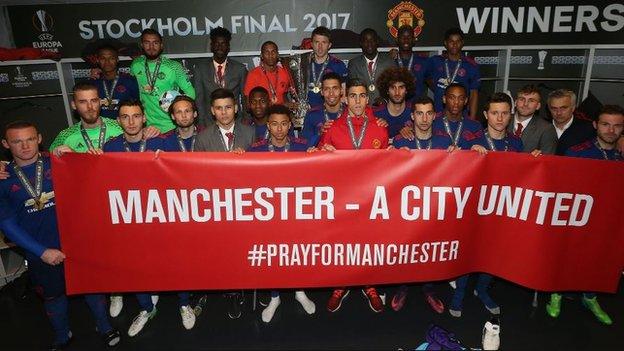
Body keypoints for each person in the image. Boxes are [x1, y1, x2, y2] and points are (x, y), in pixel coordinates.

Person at [0, 121, 121, 349]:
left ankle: (104, 326)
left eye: (30, 139)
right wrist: (41, 251)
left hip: (77, 244)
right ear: (6, 144)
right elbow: (6, 224)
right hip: (40, 251)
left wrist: (78, 156)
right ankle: (62, 334)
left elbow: (96, 180)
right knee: (53, 297)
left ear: (39, 139)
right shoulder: (3, 179)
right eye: (17, 141)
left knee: (92, 290)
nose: (25, 146)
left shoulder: (59, 162)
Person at [449, 93, 522, 318]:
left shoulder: (517, 143)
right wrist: (463, 154)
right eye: (494, 113)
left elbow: (525, 175)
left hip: (502, 208)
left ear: (510, 115)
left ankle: (482, 290)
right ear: (485, 115)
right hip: (474, 208)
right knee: (467, 252)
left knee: (492, 254)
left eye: (504, 113)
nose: (499, 118)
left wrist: (535, 159)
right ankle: (459, 293)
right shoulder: (471, 139)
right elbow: (452, 168)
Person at [319, 78, 388, 313]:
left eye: (361, 96)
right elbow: (317, 163)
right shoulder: (332, 128)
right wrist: (320, 151)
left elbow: (390, 166)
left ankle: (369, 285)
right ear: (345, 99)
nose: (357, 101)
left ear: (367, 99)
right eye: (353, 96)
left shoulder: (380, 127)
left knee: (368, 243)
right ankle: (341, 284)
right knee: (343, 244)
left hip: (370, 197)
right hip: (341, 198)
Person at [551, 105, 624, 325]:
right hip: (578, 216)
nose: (611, 130)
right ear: (595, 125)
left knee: (599, 260)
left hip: (610, 221)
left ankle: (590, 297)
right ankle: (557, 293)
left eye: (617, 125)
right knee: (569, 256)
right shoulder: (577, 152)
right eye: (605, 124)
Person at [390, 96, 454, 313]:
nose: (424, 118)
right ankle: (403, 286)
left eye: (428, 113)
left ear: (435, 115)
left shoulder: (445, 142)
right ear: (412, 116)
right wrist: (390, 157)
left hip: (433, 206)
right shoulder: (400, 142)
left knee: (430, 250)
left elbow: (461, 169)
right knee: (406, 248)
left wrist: (464, 154)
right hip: (406, 206)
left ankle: (429, 288)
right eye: (419, 113)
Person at [130, 28, 196, 132]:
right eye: (147, 43)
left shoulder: (174, 67)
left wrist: (177, 110)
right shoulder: (135, 65)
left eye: (155, 43)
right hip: (146, 127)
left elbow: (190, 93)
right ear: (142, 45)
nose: (151, 47)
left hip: (170, 126)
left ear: (161, 45)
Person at [193, 26, 247, 126]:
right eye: (216, 44)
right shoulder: (200, 69)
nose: (220, 47)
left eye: (223, 44)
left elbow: (244, 98)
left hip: (235, 122)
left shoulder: (240, 69)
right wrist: (201, 123)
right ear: (211, 46)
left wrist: (246, 120)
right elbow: (199, 99)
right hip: (209, 123)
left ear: (228, 47)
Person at [49, 82, 123, 153]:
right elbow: (48, 161)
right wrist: (72, 156)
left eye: (94, 101)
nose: (90, 107)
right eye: (83, 102)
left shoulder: (121, 128)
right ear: (74, 105)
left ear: (100, 102)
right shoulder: (64, 136)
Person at [426, 28, 480, 119]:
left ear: (462, 43)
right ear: (445, 43)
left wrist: (472, 118)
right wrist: (437, 89)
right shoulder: (435, 61)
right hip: (438, 113)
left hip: (461, 115)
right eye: (451, 41)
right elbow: (426, 76)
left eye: (458, 41)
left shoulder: (471, 65)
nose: (454, 44)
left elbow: (474, 94)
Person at [195, 88, 255, 153]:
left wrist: (243, 157)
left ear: (235, 108)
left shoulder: (250, 133)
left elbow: (256, 161)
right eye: (219, 108)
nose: (224, 112)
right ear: (212, 111)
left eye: (228, 107)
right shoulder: (203, 138)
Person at [91, 44, 139, 120]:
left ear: (117, 60)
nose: (107, 62)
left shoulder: (130, 81)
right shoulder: (93, 83)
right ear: (98, 60)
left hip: (125, 127)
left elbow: (138, 106)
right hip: (102, 128)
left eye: (111, 58)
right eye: (103, 58)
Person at [348, 28, 395, 106]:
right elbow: (352, 89)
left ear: (377, 42)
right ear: (361, 43)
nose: (369, 43)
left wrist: (385, 99)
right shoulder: (354, 64)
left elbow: (394, 86)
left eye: (372, 40)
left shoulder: (389, 62)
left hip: (385, 108)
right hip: (362, 108)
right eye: (365, 41)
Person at [429, 83, 483, 150]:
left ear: (465, 101)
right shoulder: (431, 122)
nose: (456, 102)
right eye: (452, 98)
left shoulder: (475, 126)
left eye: (460, 98)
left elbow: (481, 154)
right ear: (444, 99)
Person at [306, 26, 348, 108]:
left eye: (324, 42)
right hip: (307, 111)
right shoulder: (304, 64)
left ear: (329, 45)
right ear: (311, 44)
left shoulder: (338, 65)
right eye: (317, 42)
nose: (320, 46)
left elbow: (343, 94)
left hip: (330, 111)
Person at [509, 84, 558, 154]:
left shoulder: (546, 129)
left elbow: (548, 160)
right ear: (516, 102)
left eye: (531, 101)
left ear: (538, 106)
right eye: (522, 99)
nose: (525, 104)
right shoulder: (503, 120)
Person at [243, 41, 293, 106]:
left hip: (280, 113)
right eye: (267, 52)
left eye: (273, 52)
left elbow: (284, 96)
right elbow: (248, 103)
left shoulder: (284, 73)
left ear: (277, 55)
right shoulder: (253, 74)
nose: (270, 55)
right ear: (261, 56)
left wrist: (288, 105)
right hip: (263, 114)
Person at [548, 89, 596, 155]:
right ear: (549, 109)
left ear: (573, 108)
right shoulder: (541, 127)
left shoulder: (587, 129)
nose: (558, 113)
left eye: (563, 108)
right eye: (554, 108)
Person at [302, 72, 344, 147]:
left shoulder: (349, 112)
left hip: (344, 157)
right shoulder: (312, 115)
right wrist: (319, 134)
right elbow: (305, 145)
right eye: (327, 89)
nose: (331, 93)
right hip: (321, 157)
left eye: (335, 88)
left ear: (341, 90)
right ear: (321, 92)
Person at [373, 66, 415, 138]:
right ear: (387, 90)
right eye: (393, 87)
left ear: (407, 90)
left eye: (401, 87)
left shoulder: (415, 112)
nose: (397, 92)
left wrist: (415, 131)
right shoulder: (375, 114)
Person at [394, 25, 429, 100]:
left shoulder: (424, 62)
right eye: (402, 37)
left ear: (414, 40)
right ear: (397, 40)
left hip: (417, 108)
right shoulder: (390, 61)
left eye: (409, 37)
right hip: (396, 108)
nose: (406, 40)